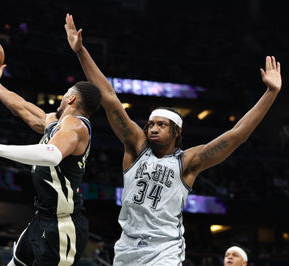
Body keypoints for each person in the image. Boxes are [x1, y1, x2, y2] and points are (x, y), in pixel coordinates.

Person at [65, 13, 282, 265]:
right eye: (150, 125)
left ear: (176, 132)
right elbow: (109, 97)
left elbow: (236, 136)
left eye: (161, 125)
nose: (152, 129)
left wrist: (271, 92)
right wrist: (81, 51)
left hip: (165, 249)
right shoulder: (136, 146)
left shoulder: (188, 162)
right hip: (127, 248)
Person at [0, 70, 102, 265]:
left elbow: (52, 155)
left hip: (62, 226)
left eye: (65, 94)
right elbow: (21, 108)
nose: (61, 98)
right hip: (41, 217)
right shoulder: (56, 123)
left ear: (71, 98)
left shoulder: (76, 125)